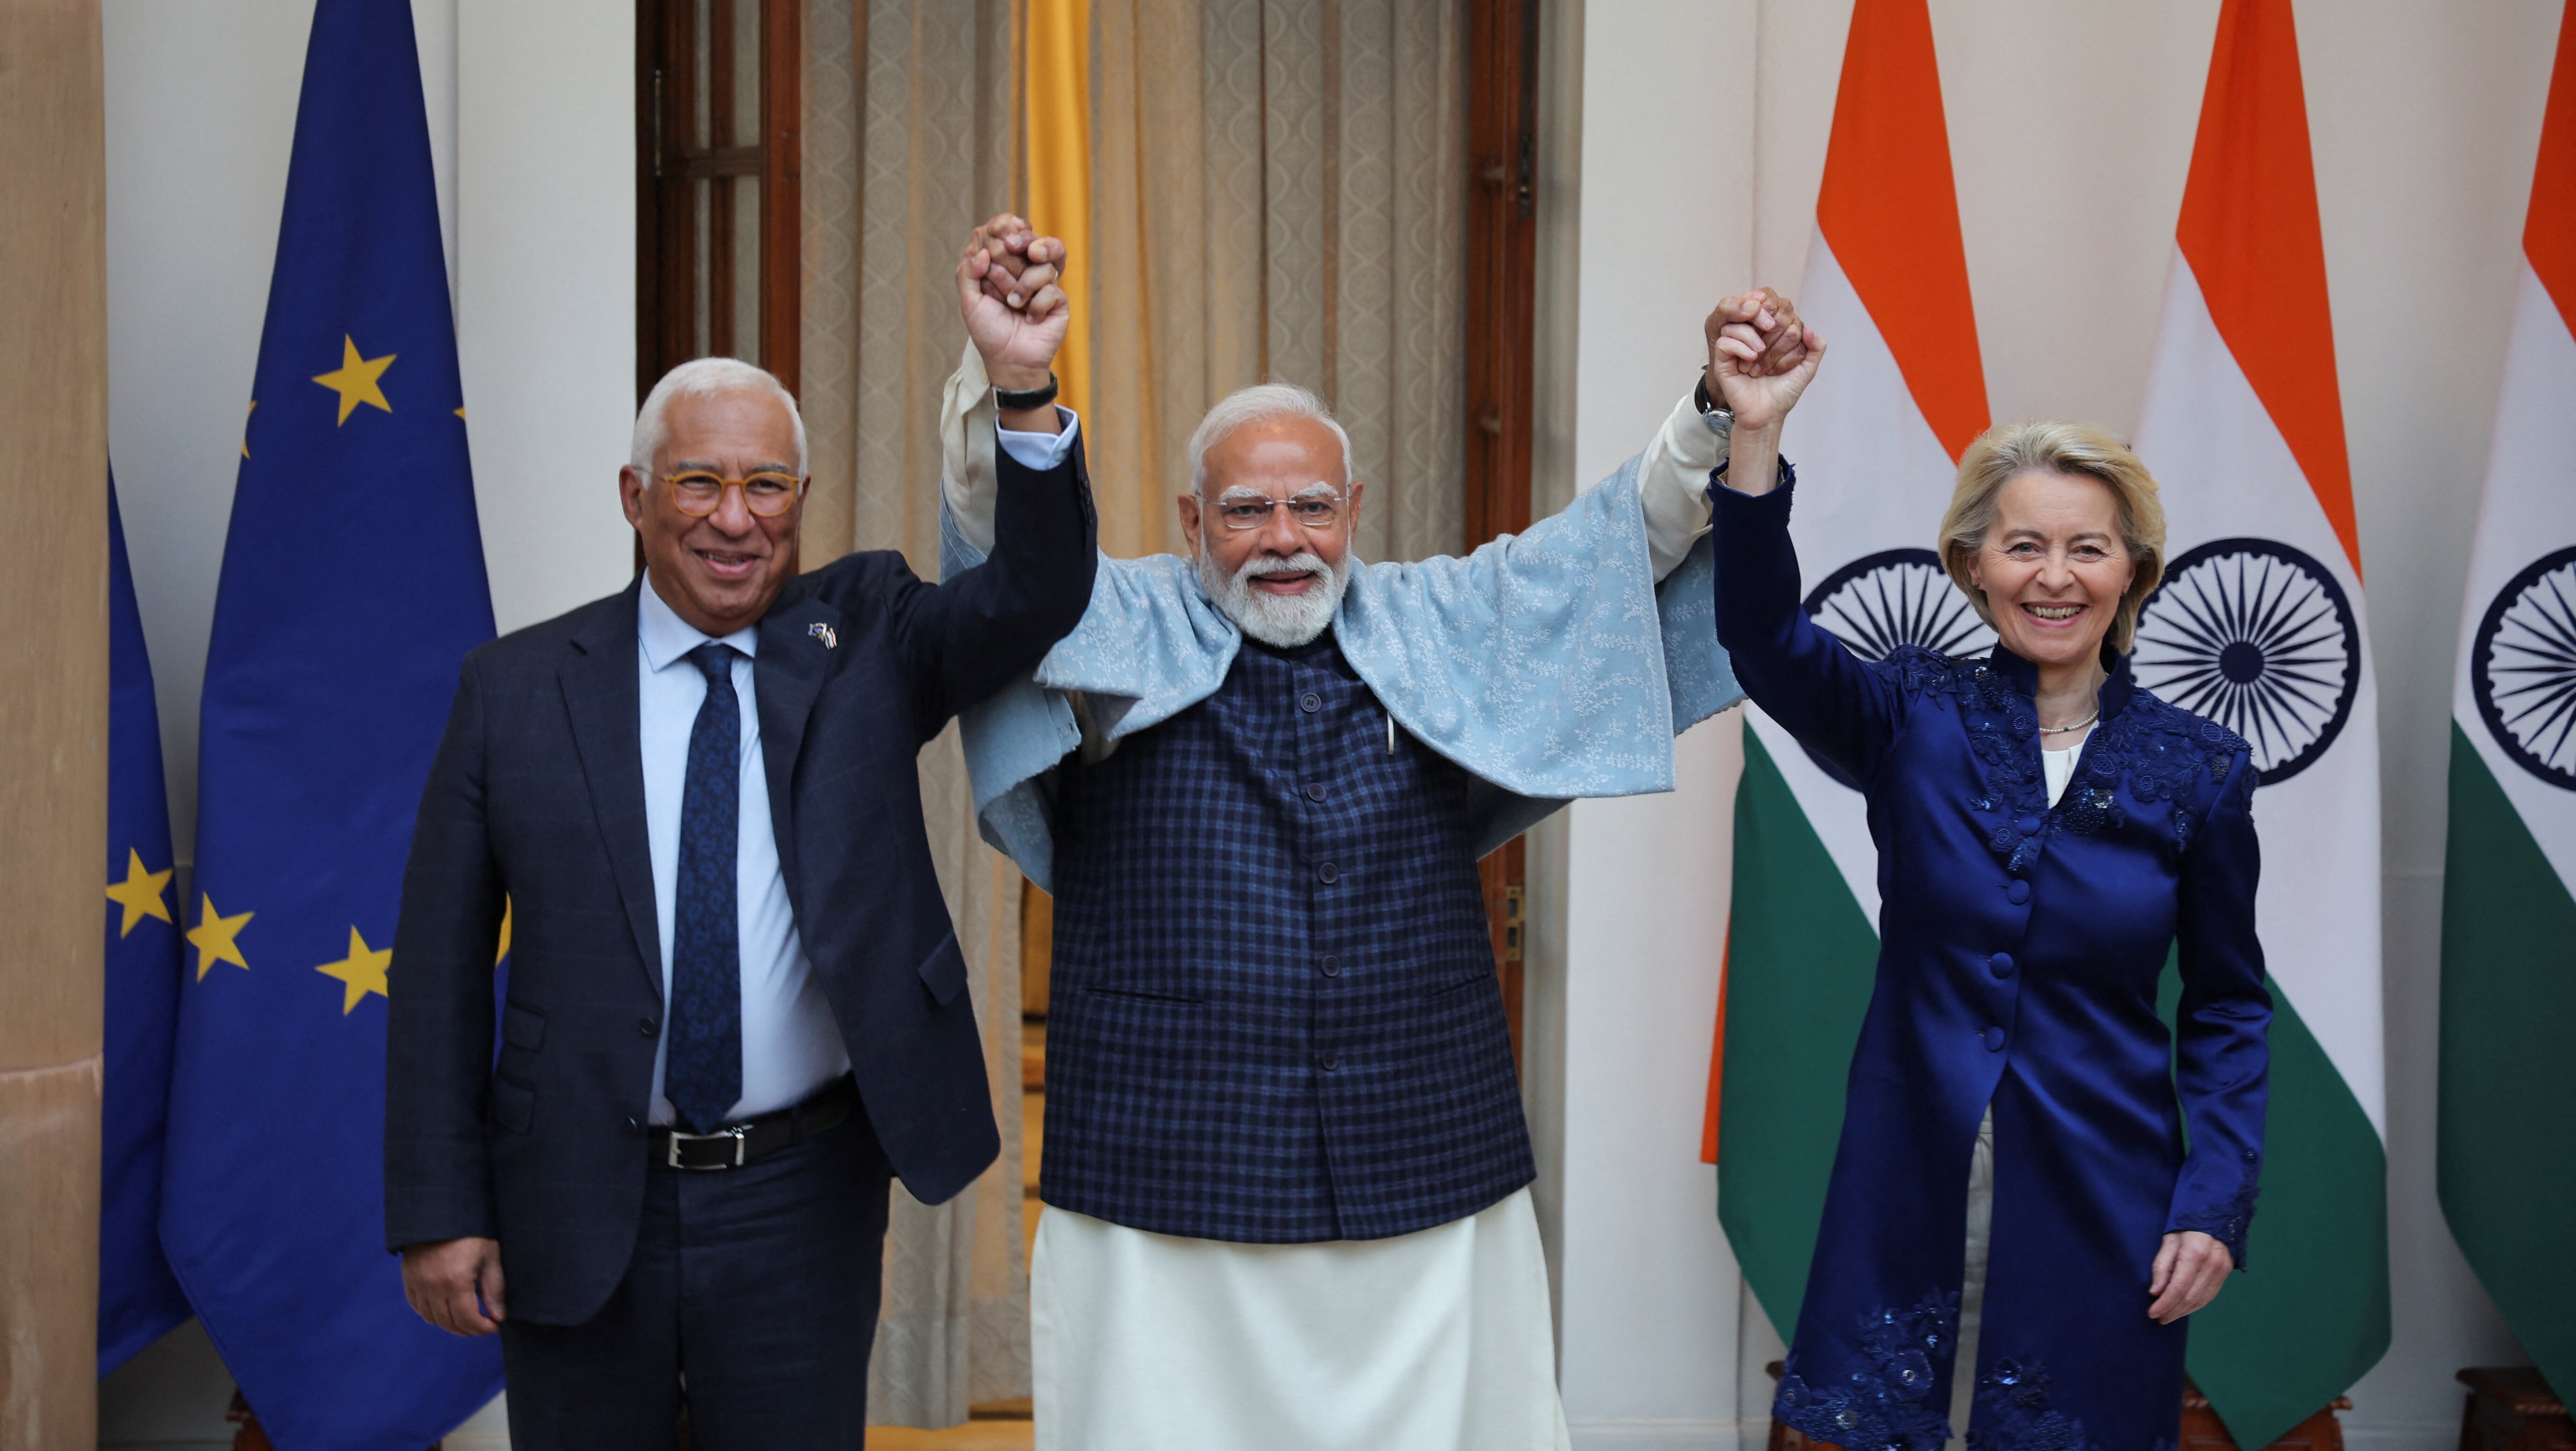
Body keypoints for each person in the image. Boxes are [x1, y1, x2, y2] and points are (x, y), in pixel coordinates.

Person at [937, 237, 1807, 1451]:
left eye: (1309, 506)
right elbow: (1002, 544)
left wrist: (1717, 408)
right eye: (1244, 509)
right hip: (1163, 1159)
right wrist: (1019, 384)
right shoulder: (1112, 610)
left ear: (1353, 512)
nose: (1282, 537)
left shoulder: (1437, 615)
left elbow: (1618, 545)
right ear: (1193, 520)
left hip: (1423, 1146)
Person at [383, 216, 1097, 1451]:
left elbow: (1039, 595)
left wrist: (1022, 382)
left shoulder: (867, 632)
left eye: (766, 484)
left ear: (800, 499)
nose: (734, 518)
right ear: (635, 496)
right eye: (698, 482)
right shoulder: (513, 689)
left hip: (797, 1195)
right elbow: (438, 970)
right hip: (572, 1194)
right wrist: (440, 1209)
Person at [1704, 292, 2268, 1451]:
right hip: (1908, 1165)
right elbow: (1761, 636)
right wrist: (1752, 435)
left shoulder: (2199, 767)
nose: (2053, 575)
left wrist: (2213, 1200)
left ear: (2133, 571)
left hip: (2104, 1187)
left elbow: (2226, 1006)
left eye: (2086, 546)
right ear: (1971, 563)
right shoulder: (1908, 714)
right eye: (2022, 544)